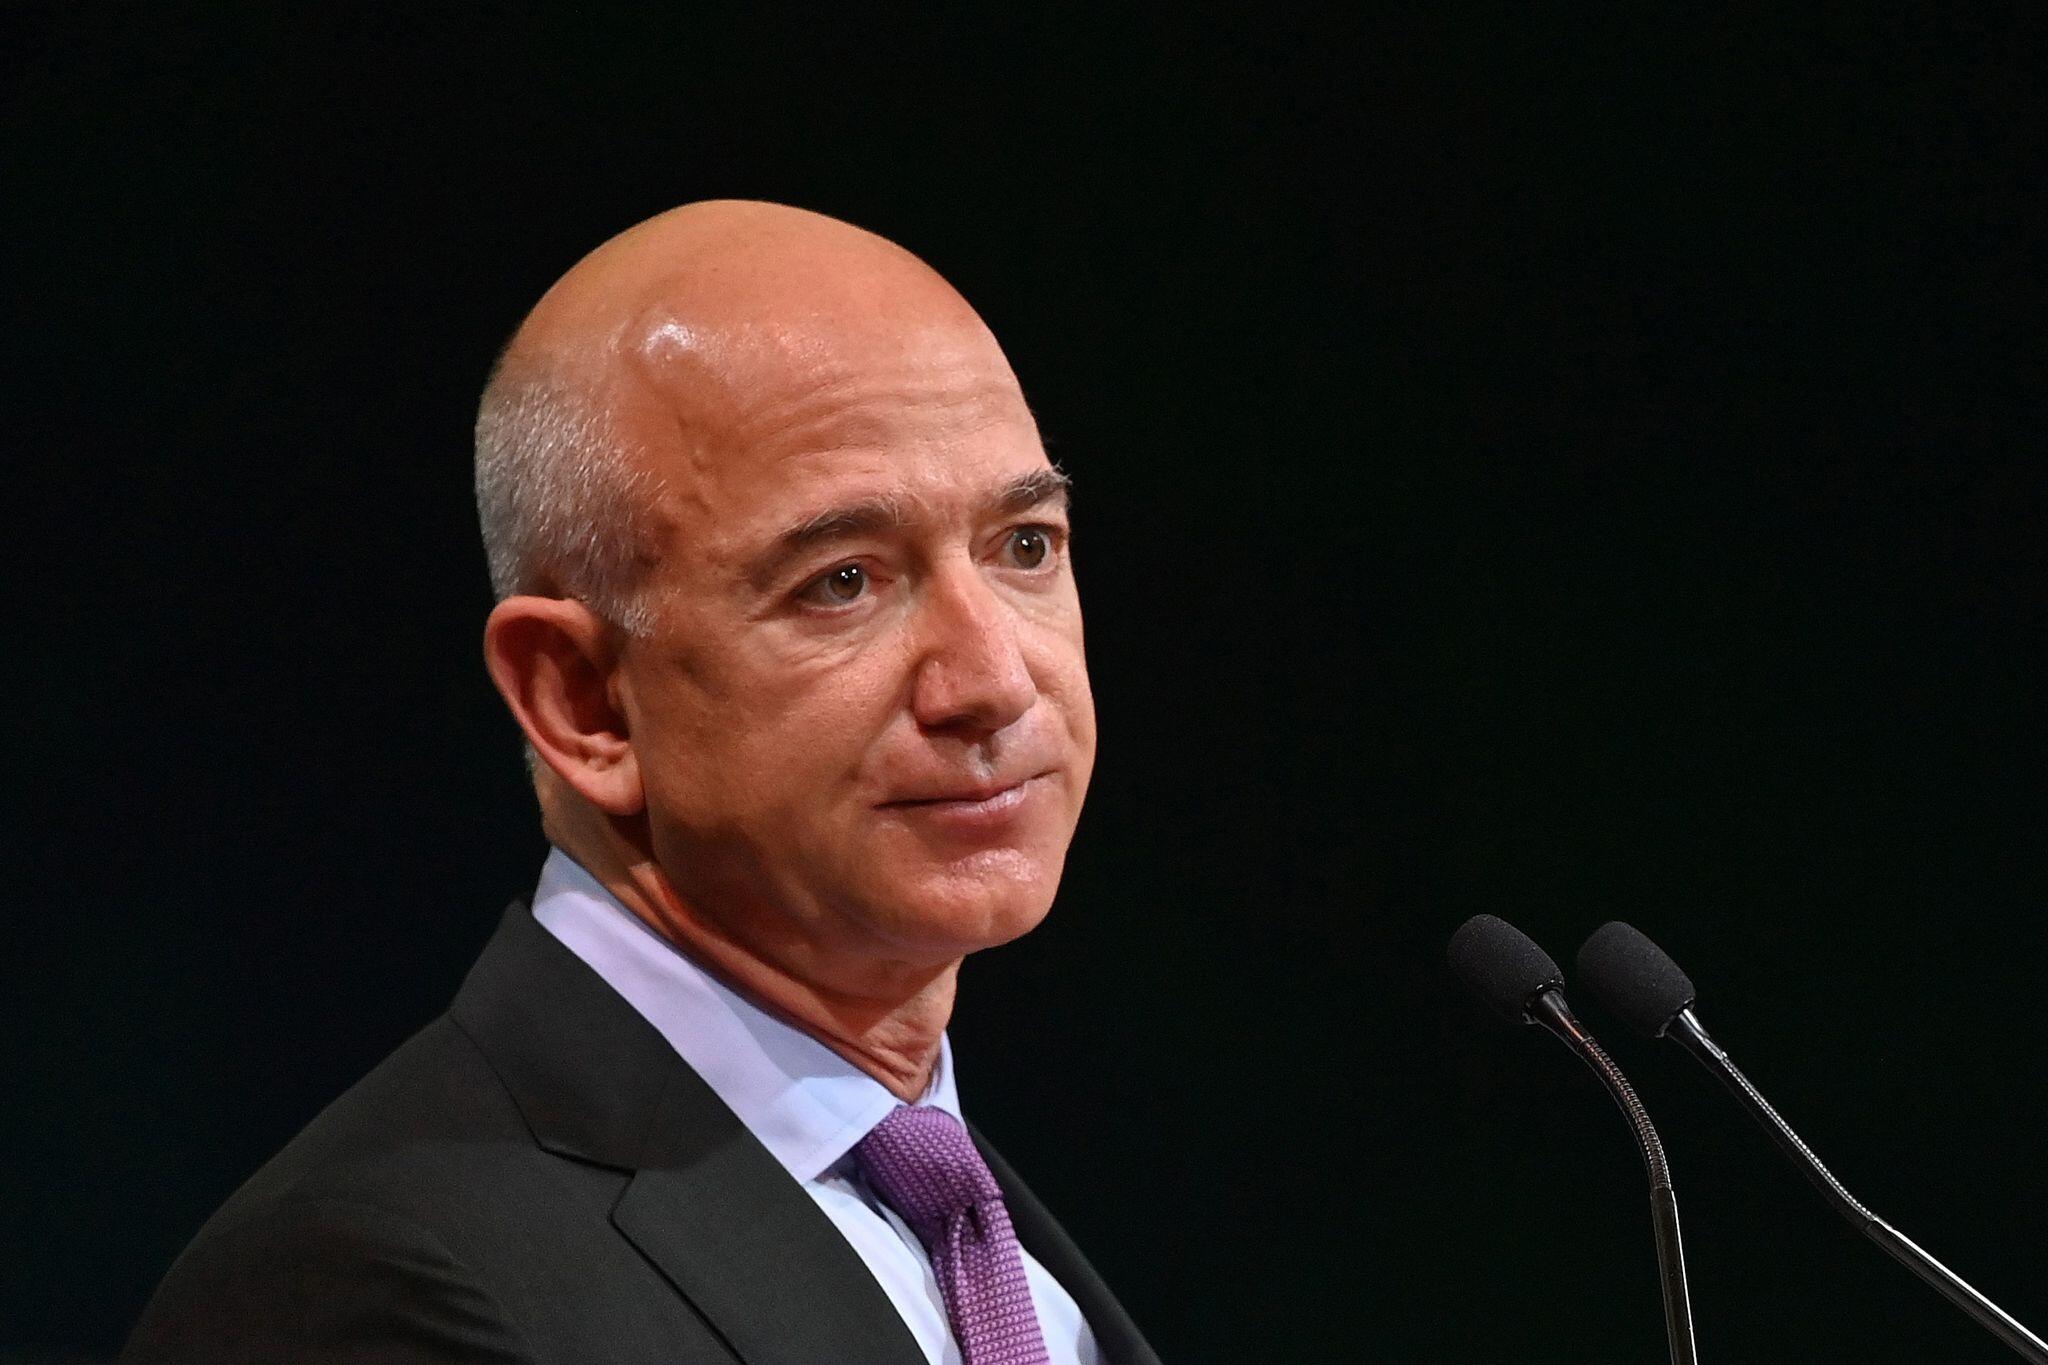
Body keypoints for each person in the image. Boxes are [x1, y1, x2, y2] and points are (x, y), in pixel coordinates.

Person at [124, 201, 1158, 1365]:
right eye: (843, 581)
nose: (994, 682)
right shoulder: (369, 1290)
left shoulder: (988, 1250)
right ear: (583, 702)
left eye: (1024, 544)